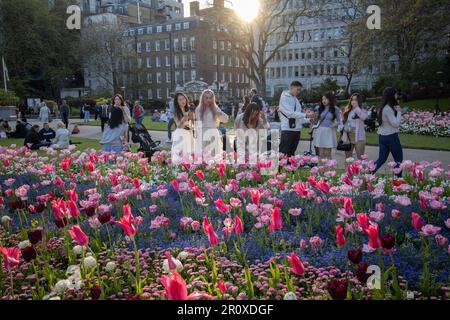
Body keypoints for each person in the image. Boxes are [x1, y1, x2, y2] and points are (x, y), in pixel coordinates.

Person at [373, 87, 403, 177]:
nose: (397, 95)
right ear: (392, 95)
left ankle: (368, 173)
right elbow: (396, 124)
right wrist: (399, 112)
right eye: (396, 94)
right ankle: (399, 181)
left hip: (382, 136)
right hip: (391, 136)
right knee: (398, 160)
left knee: (381, 159)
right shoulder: (387, 108)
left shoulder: (382, 107)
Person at [194, 89, 229, 161]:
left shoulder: (215, 108)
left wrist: (219, 114)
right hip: (202, 133)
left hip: (213, 133)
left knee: (214, 154)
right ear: (203, 98)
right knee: (202, 155)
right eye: (206, 98)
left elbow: (225, 119)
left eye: (210, 98)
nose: (208, 100)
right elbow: (198, 123)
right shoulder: (198, 109)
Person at [278, 81, 309, 157]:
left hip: (296, 130)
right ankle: (278, 169)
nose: (299, 92)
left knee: (291, 154)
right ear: (291, 88)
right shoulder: (284, 97)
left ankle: (290, 169)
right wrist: (306, 115)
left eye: (300, 90)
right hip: (287, 129)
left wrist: (308, 120)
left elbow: (298, 117)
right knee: (283, 154)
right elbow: (290, 114)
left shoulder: (295, 99)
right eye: (297, 89)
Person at [312, 92, 341, 160]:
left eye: (325, 99)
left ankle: (329, 169)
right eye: (322, 99)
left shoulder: (335, 108)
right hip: (320, 131)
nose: (323, 101)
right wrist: (314, 118)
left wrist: (334, 124)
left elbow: (339, 120)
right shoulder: (320, 108)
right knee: (321, 154)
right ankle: (320, 170)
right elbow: (316, 120)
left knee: (328, 153)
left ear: (330, 99)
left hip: (329, 131)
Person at [339, 93, 368, 159]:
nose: (353, 101)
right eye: (352, 99)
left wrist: (357, 108)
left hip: (359, 136)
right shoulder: (347, 110)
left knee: (360, 158)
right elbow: (342, 122)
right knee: (348, 158)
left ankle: (359, 169)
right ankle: (348, 169)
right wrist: (342, 125)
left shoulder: (362, 110)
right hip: (348, 136)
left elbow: (364, 117)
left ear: (359, 101)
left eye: (356, 100)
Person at [171, 92, 195, 164]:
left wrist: (192, 117)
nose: (182, 101)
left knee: (188, 155)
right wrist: (184, 118)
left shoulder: (189, 110)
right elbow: (179, 125)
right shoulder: (176, 111)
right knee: (179, 155)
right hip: (180, 134)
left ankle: (187, 172)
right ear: (177, 102)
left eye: (184, 98)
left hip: (188, 133)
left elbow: (193, 124)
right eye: (180, 100)